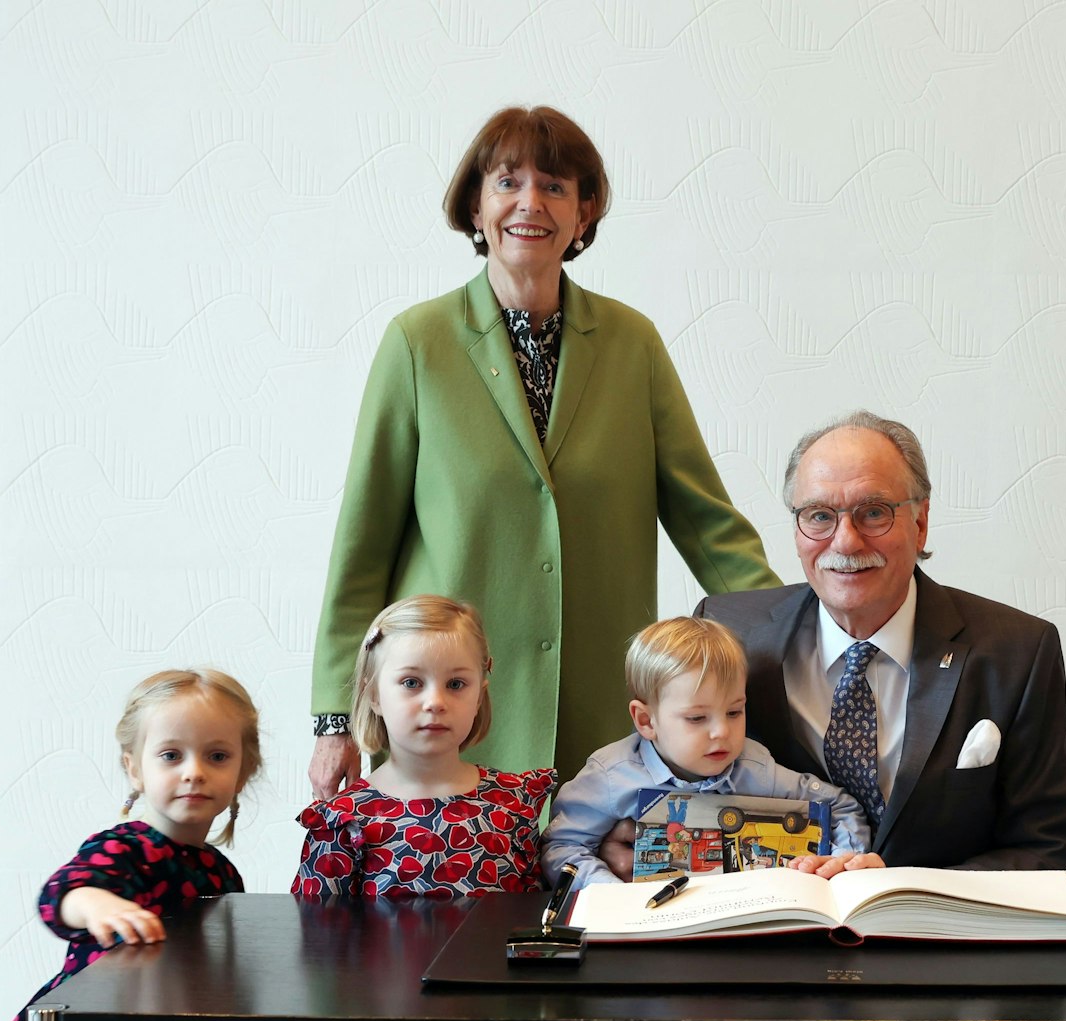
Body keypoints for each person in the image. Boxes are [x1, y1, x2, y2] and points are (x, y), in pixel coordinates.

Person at [604, 411, 1066, 1021]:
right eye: (819, 516)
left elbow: (1052, 853)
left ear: (921, 523)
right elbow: (661, 787)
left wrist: (898, 884)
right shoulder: (730, 632)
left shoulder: (1016, 649)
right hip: (762, 1001)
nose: (845, 541)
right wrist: (630, 838)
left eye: (874, 513)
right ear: (796, 528)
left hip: (954, 999)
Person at [308, 105, 778, 802]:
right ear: (476, 203)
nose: (531, 202)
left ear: (584, 214)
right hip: (451, 721)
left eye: (556, 187)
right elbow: (362, 547)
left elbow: (709, 525)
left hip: (600, 722)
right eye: (507, 182)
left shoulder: (632, 344)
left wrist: (799, 644)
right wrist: (334, 717)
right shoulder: (418, 344)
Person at [0, 670, 313, 1021]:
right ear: (134, 768)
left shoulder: (221, 871)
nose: (194, 772)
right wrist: (97, 904)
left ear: (243, 771)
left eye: (217, 756)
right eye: (170, 755)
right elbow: (61, 894)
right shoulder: (125, 847)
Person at [543, 616, 871, 1021]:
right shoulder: (609, 776)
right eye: (697, 718)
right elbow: (561, 847)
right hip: (654, 926)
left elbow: (841, 807)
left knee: (776, 961)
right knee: (659, 972)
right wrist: (612, 895)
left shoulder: (755, 765)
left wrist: (840, 865)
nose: (722, 732)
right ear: (646, 720)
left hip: (746, 925)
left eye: (734, 712)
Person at [294, 596, 556, 1021]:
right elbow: (318, 954)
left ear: (481, 689)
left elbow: (538, 928)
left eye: (455, 684)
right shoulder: (345, 819)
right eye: (411, 683)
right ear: (372, 692)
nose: (434, 701)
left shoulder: (513, 803)